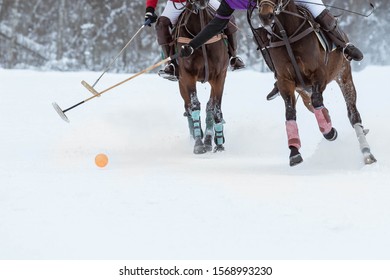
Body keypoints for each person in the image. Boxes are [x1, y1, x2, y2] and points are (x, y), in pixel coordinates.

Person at [179, 0, 363, 99]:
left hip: (296, 1)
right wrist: (193, 45)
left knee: (319, 12)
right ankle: (280, 75)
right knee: (264, 35)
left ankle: (344, 46)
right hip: (270, 8)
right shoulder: (232, 1)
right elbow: (216, 25)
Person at [144, 0, 245, 81]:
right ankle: (171, 64)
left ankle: (233, 57)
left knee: (229, 18)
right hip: (179, 2)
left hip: (206, 1)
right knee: (161, 24)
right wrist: (150, 9)